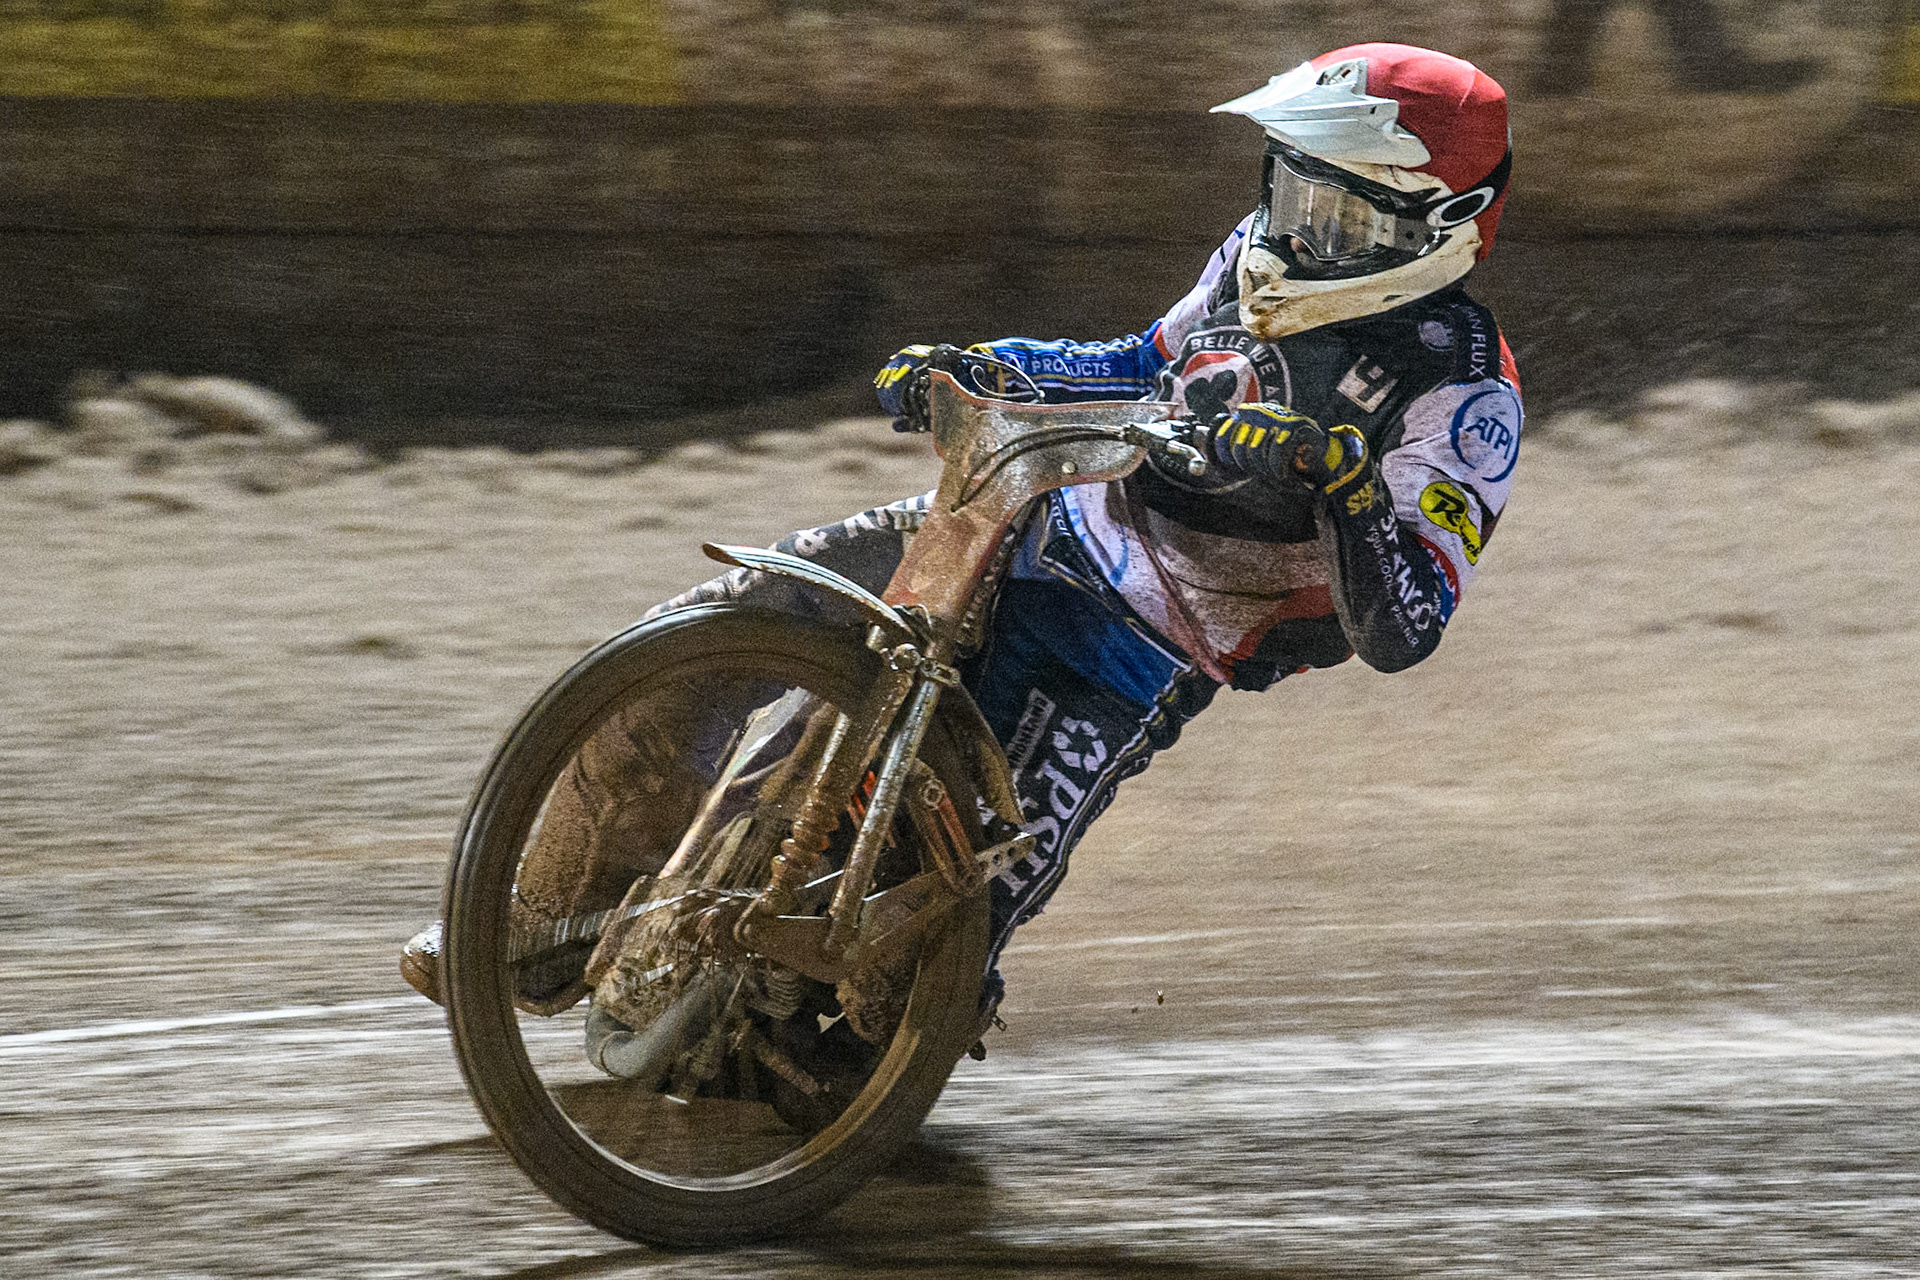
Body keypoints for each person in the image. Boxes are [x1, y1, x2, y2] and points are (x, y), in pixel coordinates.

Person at [400, 42, 1525, 1052]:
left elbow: (1406, 632)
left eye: (1340, 220)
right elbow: (1139, 360)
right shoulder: (1253, 255)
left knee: (912, 963)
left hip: (1137, 650)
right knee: (716, 629)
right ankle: (534, 930)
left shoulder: (1466, 392)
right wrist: (979, 360)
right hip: (1023, 516)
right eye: (1291, 193)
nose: (1297, 234)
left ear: (1437, 229)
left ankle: (841, 1072)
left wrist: (1345, 485)